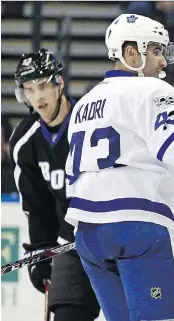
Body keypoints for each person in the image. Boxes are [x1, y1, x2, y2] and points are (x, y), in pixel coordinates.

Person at [64, 14, 174, 321]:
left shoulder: (85, 103)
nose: (163, 61)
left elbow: (83, 174)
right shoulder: (151, 91)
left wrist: (157, 197)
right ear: (130, 53)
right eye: (156, 51)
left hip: (89, 235)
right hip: (138, 229)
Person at [9, 49, 101, 321]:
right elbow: (37, 206)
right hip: (69, 245)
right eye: (28, 89)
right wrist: (40, 249)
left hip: (112, 236)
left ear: (60, 82)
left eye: (43, 86)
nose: (37, 97)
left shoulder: (92, 123)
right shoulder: (26, 142)